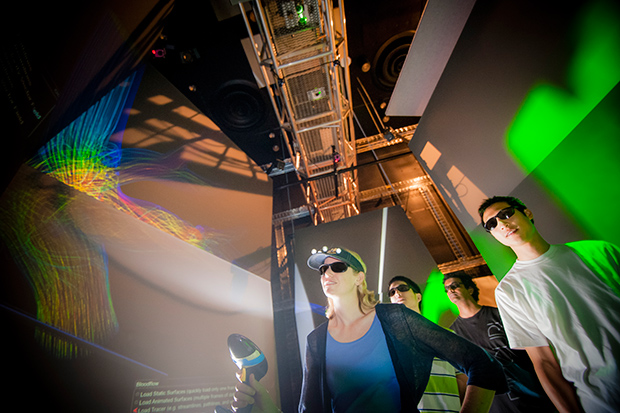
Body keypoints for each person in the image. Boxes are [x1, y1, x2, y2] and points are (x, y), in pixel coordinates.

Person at [233, 246, 507, 413]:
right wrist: (265, 406)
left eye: (337, 267)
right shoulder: (316, 341)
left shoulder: (396, 319)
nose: (327, 274)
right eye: (322, 271)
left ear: (359, 277)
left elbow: (483, 365)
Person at [479, 195, 620, 413]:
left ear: (527, 213)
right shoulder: (509, 291)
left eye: (506, 214)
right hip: (601, 400)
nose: (502, 224)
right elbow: (544, 363)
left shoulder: (600, 251)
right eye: (492, 224)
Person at [442, 271, 554, 412]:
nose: (451, 290)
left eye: (455, 285)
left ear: (469, 289)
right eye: (447, 289)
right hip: (496, 403)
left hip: (528, 391)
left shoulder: (500, 315)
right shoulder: (453, 333)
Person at [388, 275, 463, 412]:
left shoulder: (447, 336)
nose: (397, 293)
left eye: (403, 288)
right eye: (392, 292)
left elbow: (463, 380)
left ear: (418, 297)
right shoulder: (388, 342)